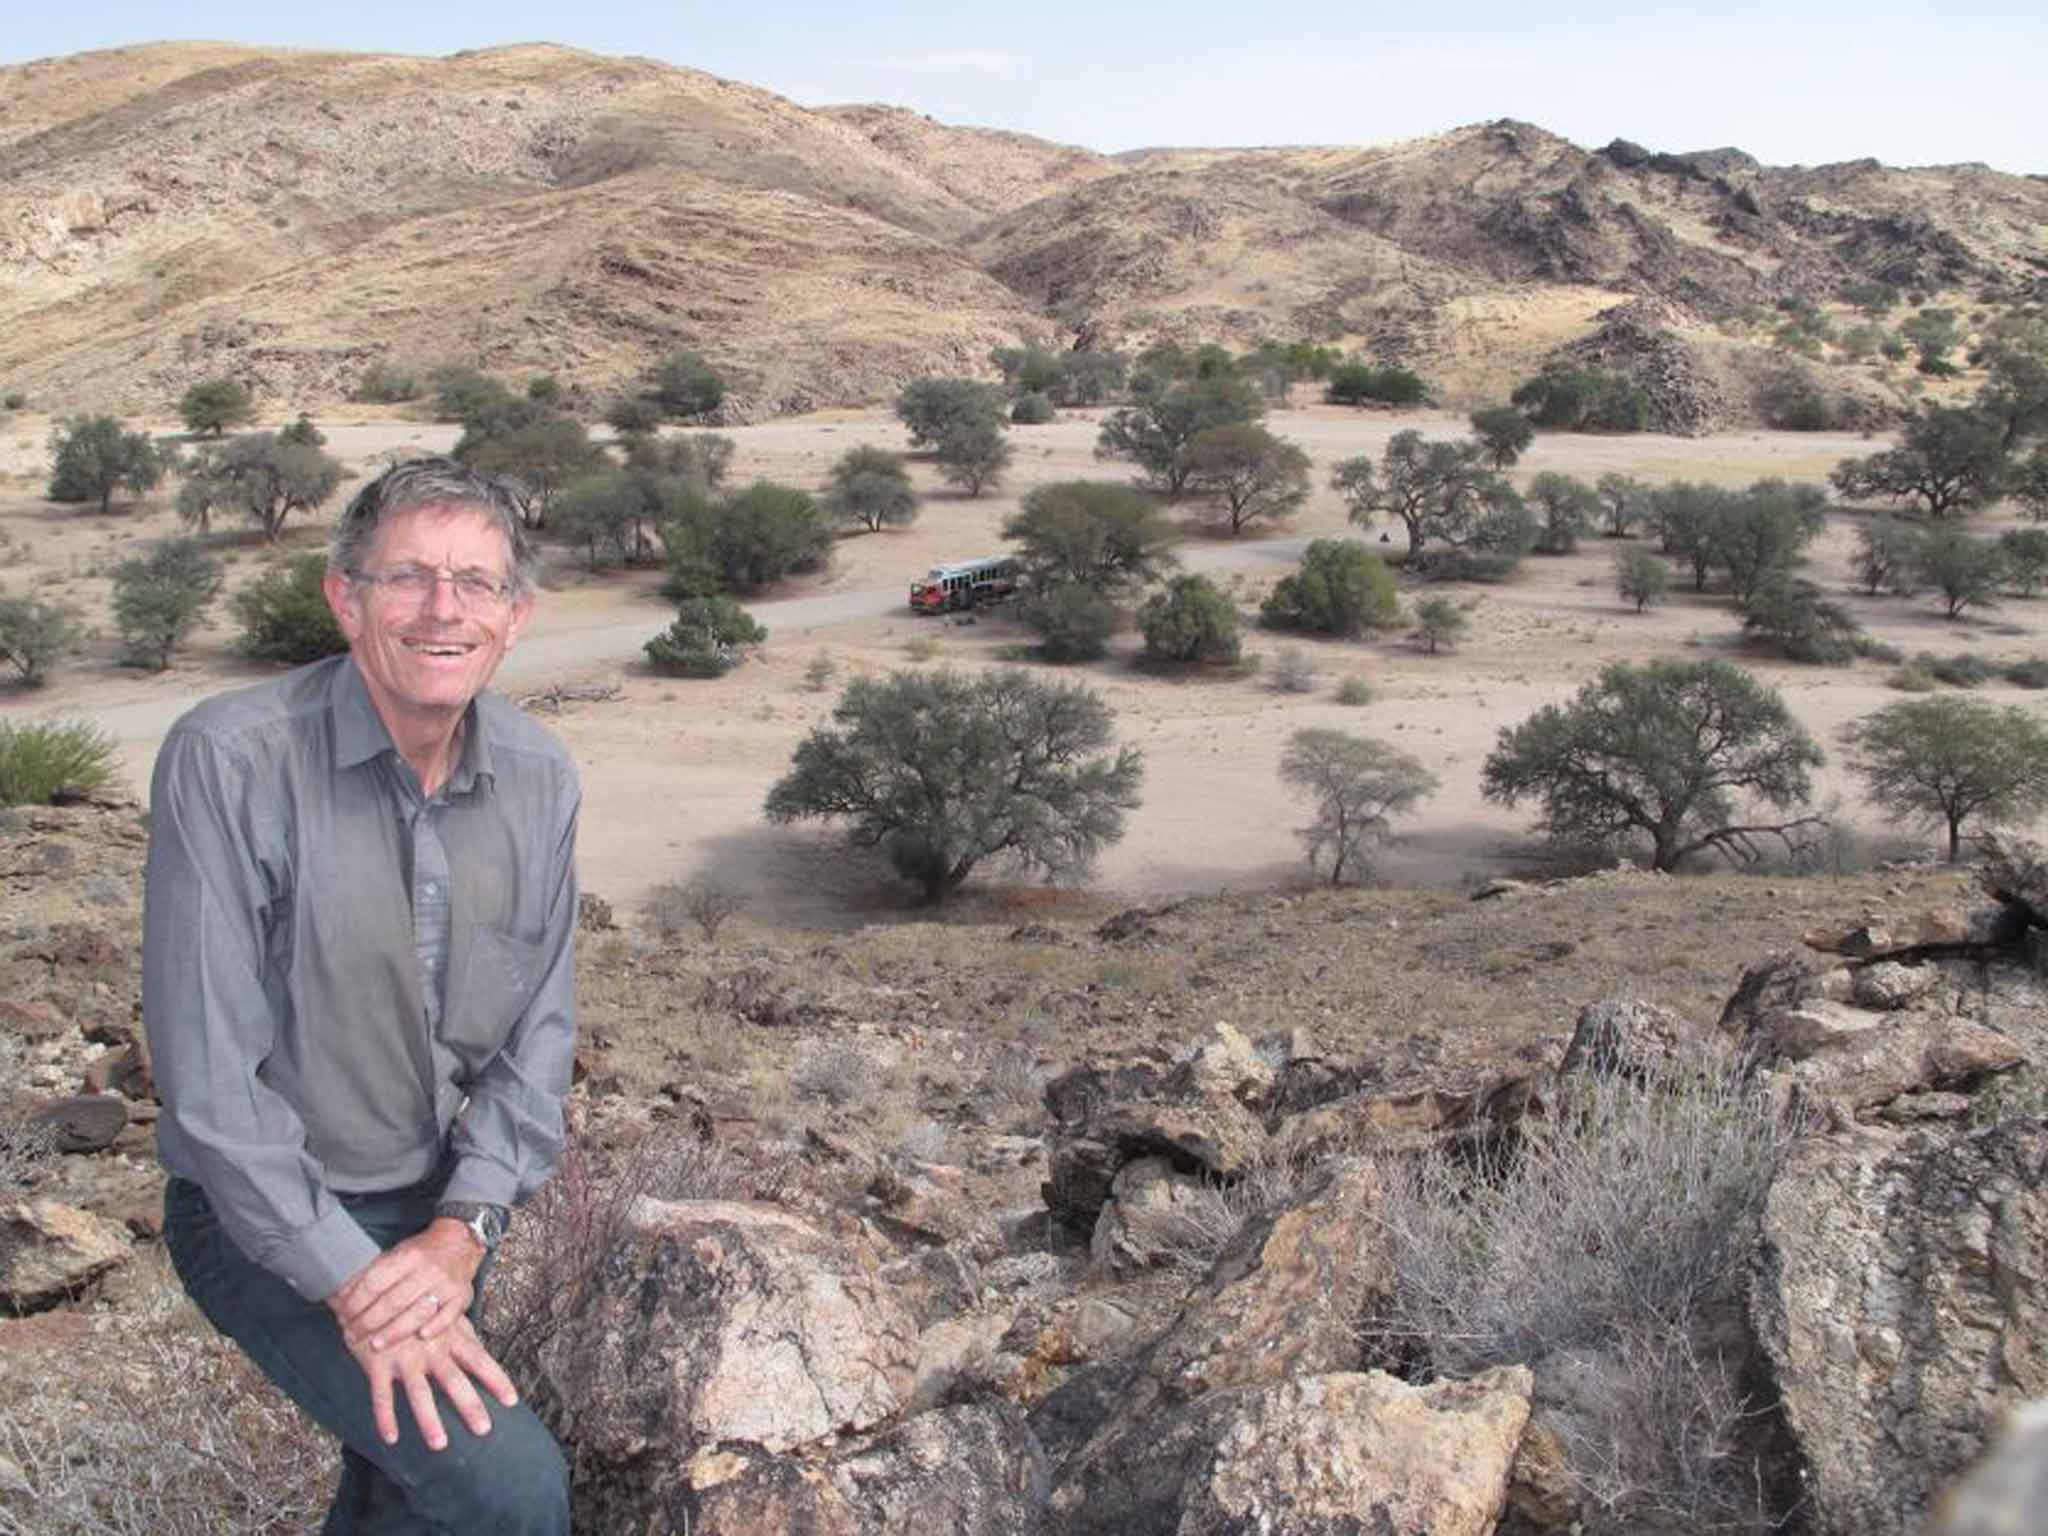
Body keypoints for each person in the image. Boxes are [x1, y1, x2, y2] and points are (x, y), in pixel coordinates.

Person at [144, 457, 579, 1533]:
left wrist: (461, 1231)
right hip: (260, 1216)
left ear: (515, 616)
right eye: (408, 578)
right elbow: (210, 1082)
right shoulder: (230, 759)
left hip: (434, 1214)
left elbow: (538, 1041)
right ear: (346, 599)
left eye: (476, 583)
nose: (445, 609)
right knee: (507, 1490)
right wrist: (356, 1285)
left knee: (404, 1491)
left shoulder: (540, 777)